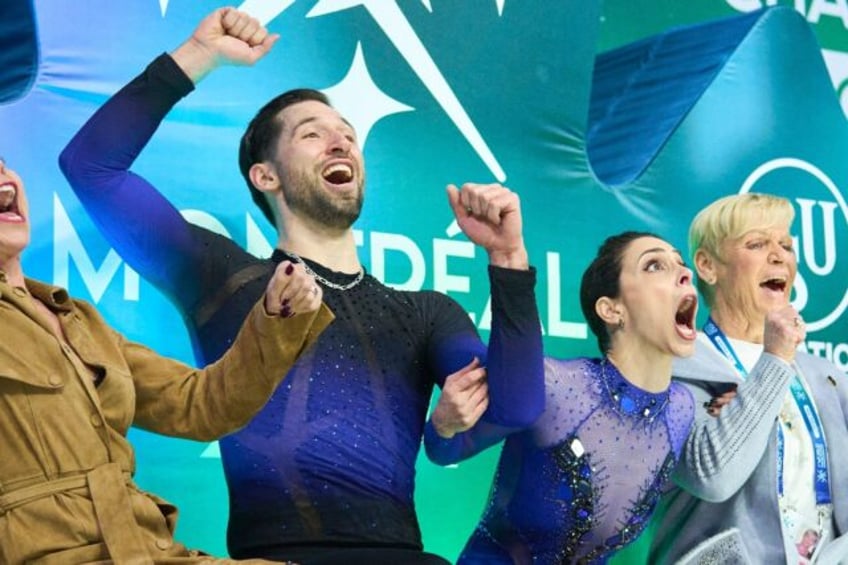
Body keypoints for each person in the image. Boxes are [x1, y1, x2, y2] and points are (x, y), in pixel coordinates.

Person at [58, 7, 544, 564]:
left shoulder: (426, 313)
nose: (340, 145)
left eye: (348, 137)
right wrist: (200, 55)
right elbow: (91, 166)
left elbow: (517, 406)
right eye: (313, 135)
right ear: (265, 177)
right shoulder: (224, 277)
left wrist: (507, 258)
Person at [0, 156, 331, 563]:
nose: (2, 175)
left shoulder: (83, 321)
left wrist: (278, 318)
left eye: (2, 163)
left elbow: (203, 404)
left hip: (146, 548)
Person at [427, 231, 699, 563]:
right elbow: (444, 449)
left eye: (681, 265)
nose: (685, 274)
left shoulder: (681, 409)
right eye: (655, 265)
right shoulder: (560, 386)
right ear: (611, 310)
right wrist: (442, 425)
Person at [648, 193, 848, 564]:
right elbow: (713, 477)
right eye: (757, 243)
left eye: (786, 245)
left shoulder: (829, 379)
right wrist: (775, 359)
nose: (779, 256)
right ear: (707, 266)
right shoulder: (671, 368)